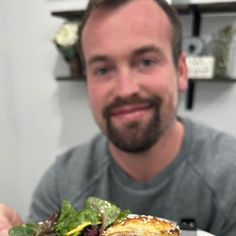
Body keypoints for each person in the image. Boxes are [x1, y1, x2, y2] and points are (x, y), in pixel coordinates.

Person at [1, 0, 236, 235]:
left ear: (181, 71)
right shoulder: (61, 185)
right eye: (103, 69)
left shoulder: (229, 176)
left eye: (146, 62)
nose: (125, 89)